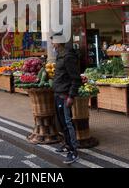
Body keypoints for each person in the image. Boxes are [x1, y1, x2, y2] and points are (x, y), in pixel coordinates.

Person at [51, 33, 82, 164]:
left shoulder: (68, 56)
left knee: (67, 123)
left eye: (53, 41)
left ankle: (73, 151)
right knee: (62, 123)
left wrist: (71, 96)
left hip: (65, 95)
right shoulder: (60, 55)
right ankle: (67, 145)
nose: (52, 44)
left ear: (58, 42)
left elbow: (76, 79)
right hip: (58, 93)